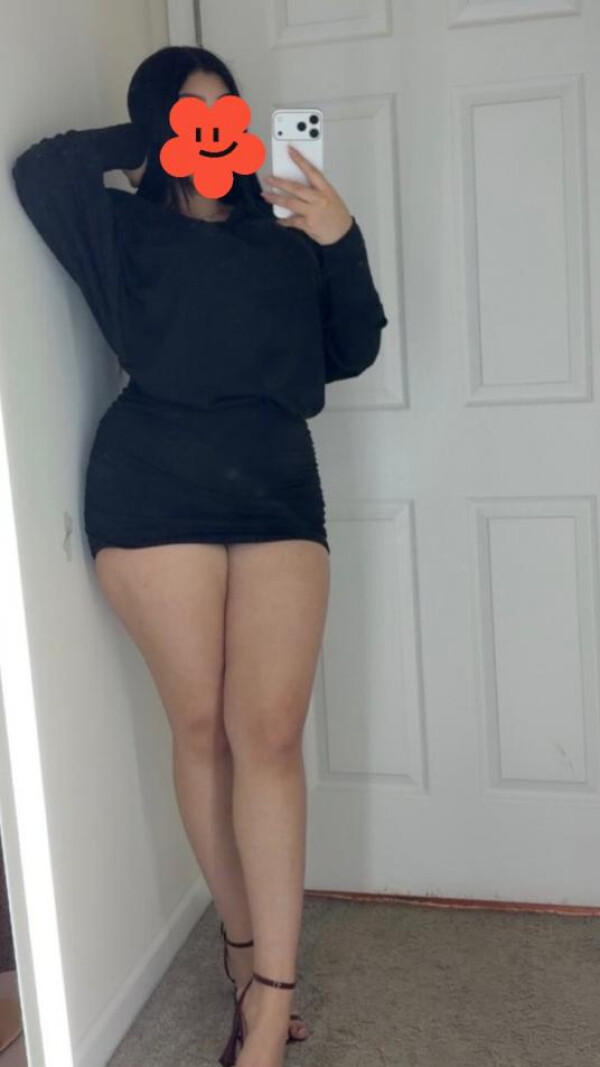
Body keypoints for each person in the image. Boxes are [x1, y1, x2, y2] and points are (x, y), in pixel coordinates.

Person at [11, 44, 388, 1067]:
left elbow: (352, 348)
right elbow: (39, 169)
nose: (216, 128)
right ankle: (244, 949)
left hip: (275, 484)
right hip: (153, 483)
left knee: (268, 733)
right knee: (200, 729)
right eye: (192, 113)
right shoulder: (120, 228)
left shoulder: (283, 234)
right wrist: (153, 141)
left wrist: (339, 236)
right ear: (159, 127)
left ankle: (273, 994)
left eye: (228, 112)